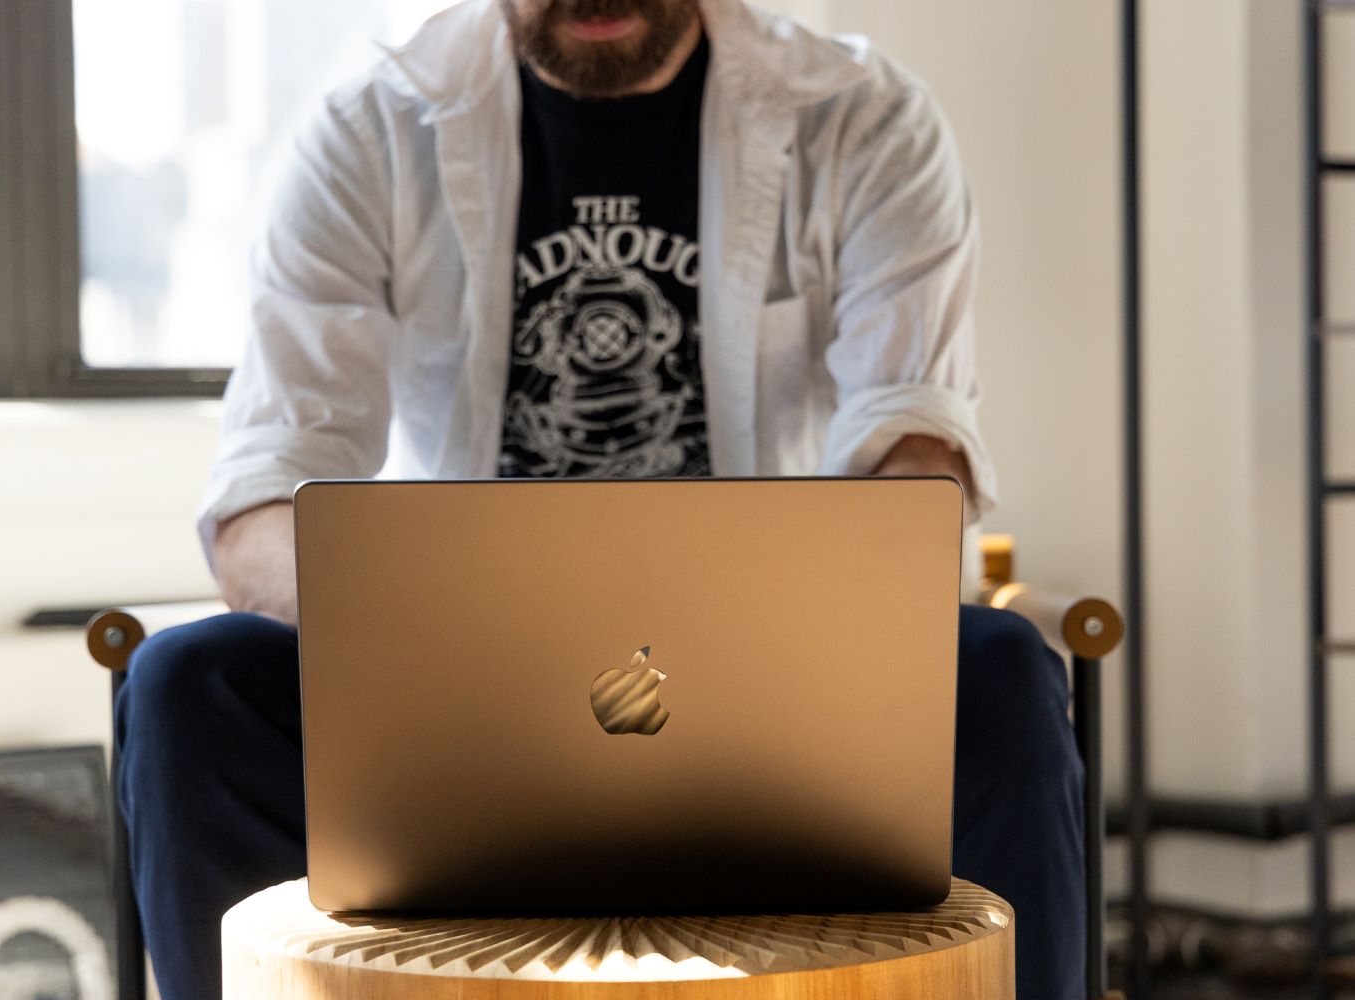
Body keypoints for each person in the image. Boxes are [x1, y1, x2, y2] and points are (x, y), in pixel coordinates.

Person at [115, 0, 1085, 997]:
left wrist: (814, 644)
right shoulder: (369, 126)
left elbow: (916, 452)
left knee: (1002, 669)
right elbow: (260, 499)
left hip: (781, 721)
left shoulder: (864, 118)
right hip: (457, 705)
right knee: (188, 683)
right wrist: (439, 658)